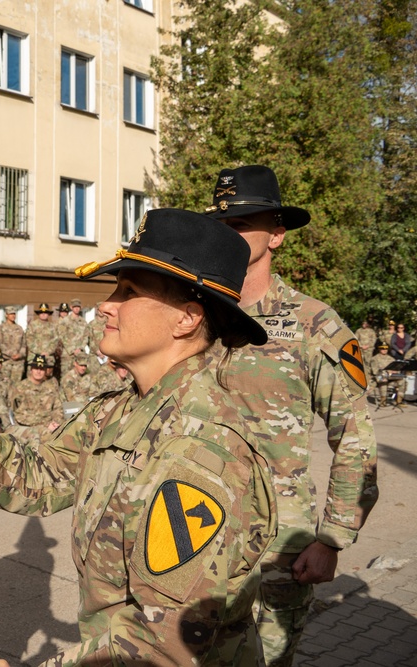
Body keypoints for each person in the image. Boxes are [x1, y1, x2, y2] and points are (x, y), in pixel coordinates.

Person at [0, 208, 278, 665]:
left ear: (186, 318)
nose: (105, 304)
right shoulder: (121, 408)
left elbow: (162, 645)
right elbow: (33, 480)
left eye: (129, 291)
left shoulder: (200, 450)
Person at [203, 165, 379, 666]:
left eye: (241, 224)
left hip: (278, 549)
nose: (228, 236)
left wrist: (332, 538)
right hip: (194, 533)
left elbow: (355, 438)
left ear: (276, 234)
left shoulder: (313, 323)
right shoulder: (195, 316)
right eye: (221, 225)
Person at [8, 354, 62, 430]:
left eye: (42, 369)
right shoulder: (20, 388)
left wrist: (56, 423)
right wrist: (45, 425)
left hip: (50, 427)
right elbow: (18, 414)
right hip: (27, 428)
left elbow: (58, 408)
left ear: (45, 371)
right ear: (31, 369)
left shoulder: (51, 388)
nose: (38, 371)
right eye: (36, 368)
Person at [0, 305, 26, 417]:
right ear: (6, 315)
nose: (13, 316)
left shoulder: (19, 329)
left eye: (14, 314)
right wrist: (5, 355)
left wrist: (20, 354)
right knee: (4, 387)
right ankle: (3, 412)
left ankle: (14, 410)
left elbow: (24, 345)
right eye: (11, 314)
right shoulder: (0, 328)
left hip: (18, 363)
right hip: (6, 362)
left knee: (16, 387)